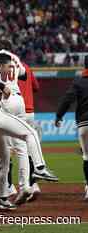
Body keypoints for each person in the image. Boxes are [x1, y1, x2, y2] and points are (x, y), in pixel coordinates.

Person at [0, 53, 53, 210]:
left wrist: (1, 85)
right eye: (7, 66)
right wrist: (3, 85)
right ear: (0, 65)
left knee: (3, 158)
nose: (8, 69)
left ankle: (4, 197)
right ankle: (37, 170)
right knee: (28, 135)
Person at [55, 55, 88, 201]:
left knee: (87, 157)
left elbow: (67, 99)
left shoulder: (79, 81)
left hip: (84, 124)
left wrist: (58, 116)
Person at [18, 63, 42, 201]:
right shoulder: (26, 67)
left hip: (15, 112)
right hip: (30, 112)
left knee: (11, 151)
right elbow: (36, 87)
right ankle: (34, 185)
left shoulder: (4, 65)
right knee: (29, 149)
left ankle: (10, 188)